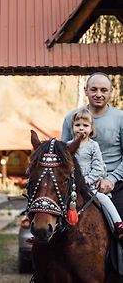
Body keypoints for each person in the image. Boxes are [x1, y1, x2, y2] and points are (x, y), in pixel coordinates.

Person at [61, 72, 123, 221]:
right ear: (85, 91)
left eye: (104, 90)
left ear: (111, 92)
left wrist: (111, 179)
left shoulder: (120, 118)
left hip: (115, 185)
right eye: (93, 89)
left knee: (120, 230)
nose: (98, 94)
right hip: (75, 185)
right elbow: (63, 154)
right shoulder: (72, 117)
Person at [69, 108, 123, 237]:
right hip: (72, 187)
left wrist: (85, 181)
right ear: (72, 127)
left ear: (91, 128)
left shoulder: (93, 146)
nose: (81, 129)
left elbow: (98, 168)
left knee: (104, 199)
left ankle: (118, 224)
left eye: (85, 125)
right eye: (78, 125)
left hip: (90, 186)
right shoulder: (68, 145)